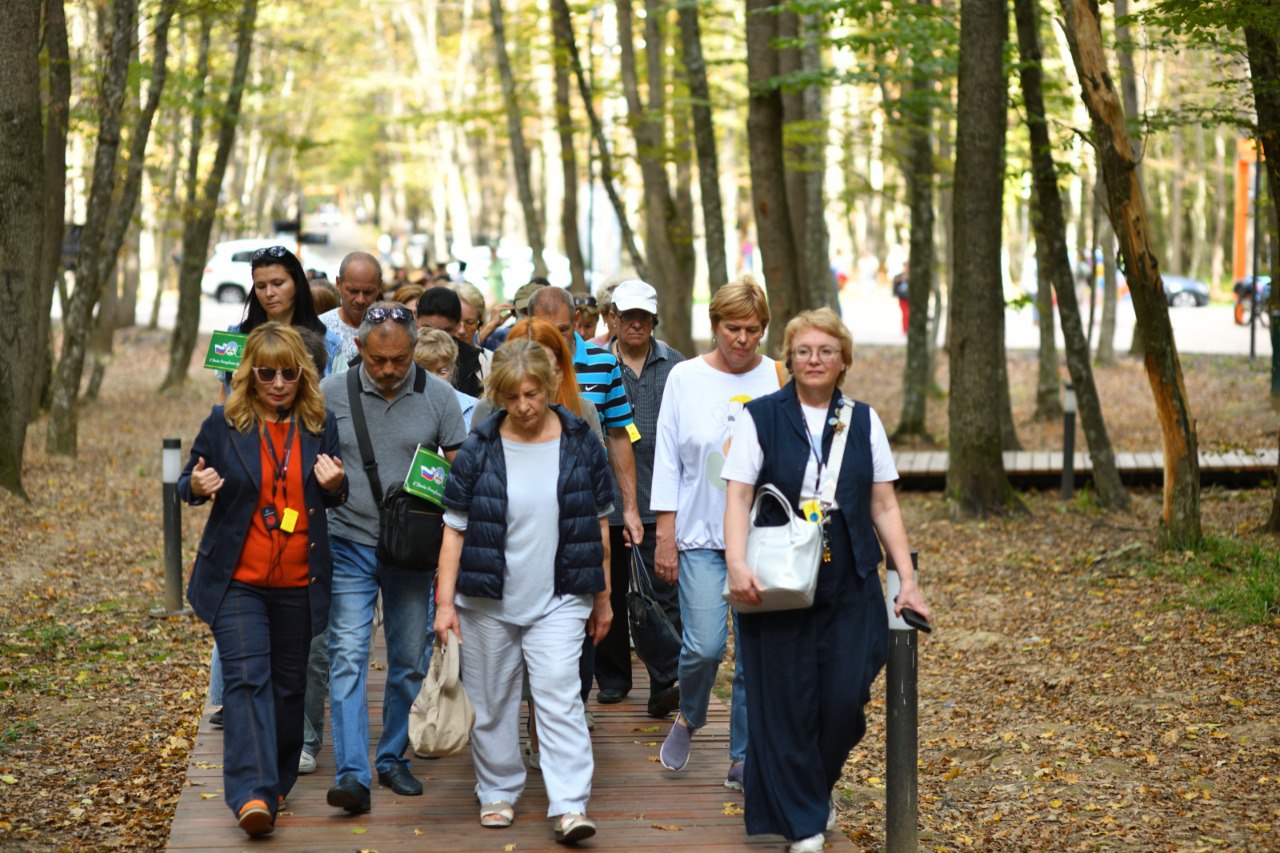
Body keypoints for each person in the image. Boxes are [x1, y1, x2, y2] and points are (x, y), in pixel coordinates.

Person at [722, 308, 932, 853]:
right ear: (789, 359)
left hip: (851, 579)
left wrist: (906, 578)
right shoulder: (762, 417)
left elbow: (883, 503)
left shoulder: (864, 420)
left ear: (843, 361)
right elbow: (739, 495)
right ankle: (806, 824)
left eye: (826, 351)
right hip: (779, 582)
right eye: (803, 351)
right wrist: (737, 563)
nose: (814, 360)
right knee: (786, 703)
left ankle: (812, 791)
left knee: (844, 702)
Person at [433, 339, 614, 844]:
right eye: (513, 397)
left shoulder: (581, 442)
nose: (524, 406)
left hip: (561, 596)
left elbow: (600, 528)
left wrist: (603, 598)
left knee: (560, 695)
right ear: (499, 397)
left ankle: (570, 803)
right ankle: (497, 790)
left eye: (532, 393)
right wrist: (445, 605)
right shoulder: (479, 448)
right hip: (487, 599)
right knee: (491, 702)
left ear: (550, 387)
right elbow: (454, 529)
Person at [178, 323, 348, 838]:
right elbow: (187, 481)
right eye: (267, 373)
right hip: (238, 579)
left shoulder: (321, 423)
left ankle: (272, 784)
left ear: (303, 375)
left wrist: (337, 486)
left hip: (299, 578)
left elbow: (334, 493)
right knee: (247, 679)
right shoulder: (223, 422)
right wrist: (196, 485)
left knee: (290, 688)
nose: (277, 383)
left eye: (288, 373)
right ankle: (251, 794)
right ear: (250, 374)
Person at [318, 302, 468, 815]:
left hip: (411, 552)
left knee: (407, 660)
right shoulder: (330, 395)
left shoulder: (440, 397)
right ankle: (352, 774)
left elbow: (460, 474)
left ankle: (391, 758)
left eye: (399, 361)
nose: (388, 371)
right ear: (358, 349)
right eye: (379, 360)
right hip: (349, 540)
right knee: (348, 655)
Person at [651, 275, 784, 791]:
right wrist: (666, 531)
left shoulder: (777, 377)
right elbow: (667, 456)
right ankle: (690, 713)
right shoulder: (685, 378)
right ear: (715, 326)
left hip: (762, 539)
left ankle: (743, 757)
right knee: (704, 646)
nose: (742, 340)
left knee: (754, 653)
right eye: (733, 328)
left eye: (753, 329)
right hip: (701, 534)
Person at [527, 284, 643, 721]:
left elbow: (619, 435)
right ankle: (541, 709)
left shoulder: (603, 364)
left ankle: (576, 698)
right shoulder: (514, 365)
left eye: (561, 330)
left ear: (576, 323)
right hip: (530, 524)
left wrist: (629, 507)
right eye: (545, 331)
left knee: (587, 606)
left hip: (587, 510)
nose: (554, 341)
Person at [592, 280, 683, 718]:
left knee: (661, 593)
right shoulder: (594, 362)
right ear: (611, 317)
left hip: (658, 497)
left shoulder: (677, 366)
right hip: (603, 499)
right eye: (626, 315)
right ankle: (613, 679)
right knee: (608, 587)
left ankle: (665, 681)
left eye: (643, 317)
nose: (634, 323)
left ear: (654, 321)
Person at [215, 245, 341, 400]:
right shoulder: (233, 337)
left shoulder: (329, 343)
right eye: (261, 286)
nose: (269, 293)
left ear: (297, 284)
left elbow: (340, 403)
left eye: (278, 283)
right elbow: (224, 396)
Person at [319, 251, 384, 372]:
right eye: (353, 291)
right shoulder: (319, 328)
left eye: (368, 292)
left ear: (379, 286)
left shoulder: (391, 327)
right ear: (338, 284)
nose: (360, 300)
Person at [417, 287, 485, 397]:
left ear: (457, 327)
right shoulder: (401, 357)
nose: (435, 337)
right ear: (417, 322)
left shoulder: (477, 363)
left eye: (445, 331)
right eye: (428, 329)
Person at [414, 329, 478, 430]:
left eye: (442, 372)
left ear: (452, 368)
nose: (434, 380)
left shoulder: (474, 408)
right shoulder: (401, 407)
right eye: (425, 372)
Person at [483, 279, 545, 351]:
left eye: (534, 311)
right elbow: (470, 353)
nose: (530, 317)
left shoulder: (554, 338)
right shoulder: (500, 337)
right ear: (514, 311)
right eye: (525, 311)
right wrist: (490, 327)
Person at [450, 281, 493, 381]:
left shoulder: (491, 361)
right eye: (456, 321)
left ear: (479, 323)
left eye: (470, 322)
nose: (461, 331)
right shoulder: (428, 361)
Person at [891, 262, 910, 335]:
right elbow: (895, 287)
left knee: (909, 314)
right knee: (905, 314)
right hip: (902, 298)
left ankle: (908, 329)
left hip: (910, 298)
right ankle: (905, 330)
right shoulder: (899, 276)